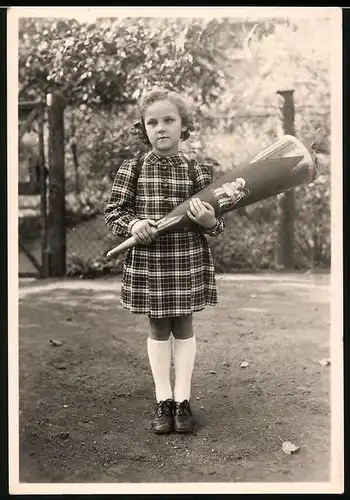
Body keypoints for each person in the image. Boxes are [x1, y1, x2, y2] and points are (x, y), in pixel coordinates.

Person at [105, 87, 225, 434]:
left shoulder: (197, 169)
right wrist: (134, 223)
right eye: (152, 122)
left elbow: (218, 223)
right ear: (143, 129)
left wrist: (208, 222)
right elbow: (114, 212)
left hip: (185, 258)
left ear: (183, 125)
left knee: (183, 325)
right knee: (158, 327)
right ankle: (164, 400)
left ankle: (183, 400)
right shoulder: (133, 167)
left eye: (169, 120)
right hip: (150, 260)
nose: (161, 128)